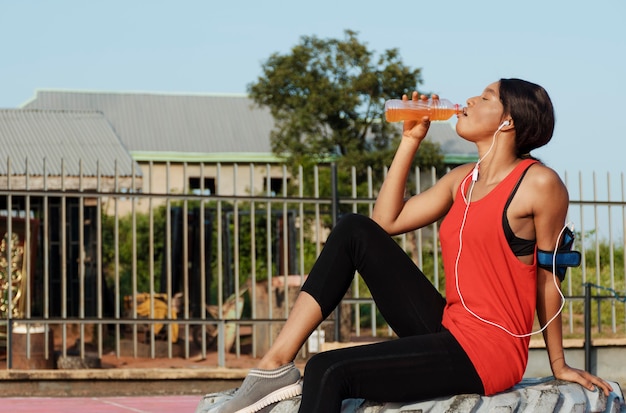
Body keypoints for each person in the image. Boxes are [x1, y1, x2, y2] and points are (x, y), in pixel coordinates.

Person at [215, 79, 614, 413]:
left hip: (489, 351)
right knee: (355, 229)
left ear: (508, 121)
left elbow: (549, 277)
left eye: (486, 97)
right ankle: (274, 366)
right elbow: (386, 222)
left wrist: (558, 363)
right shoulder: (462, 179)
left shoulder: (540, 184)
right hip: (449, 327)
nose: (470, 100)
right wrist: (410, 140)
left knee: (327, 369)